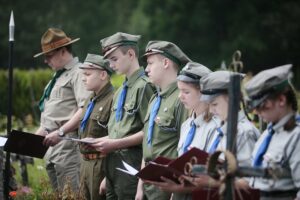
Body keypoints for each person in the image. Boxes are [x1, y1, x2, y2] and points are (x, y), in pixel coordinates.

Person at [89, 32, 155, 200]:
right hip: (113, 166)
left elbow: (149, 133)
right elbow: (117, 130)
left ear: (131, 54)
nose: (111, 65)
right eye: (109, 60)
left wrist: (115, 143)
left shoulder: (144, 87)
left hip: (131, 166)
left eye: (115, 59)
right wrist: (107, 175)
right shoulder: (119, 92)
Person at [143, 62, 220, 200]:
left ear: (203, 93)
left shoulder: (215, 128)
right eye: (179, 91)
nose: (180, 96)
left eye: (186, 92)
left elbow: (215, 176)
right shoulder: (187, 125)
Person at [34, 28, 90, 191]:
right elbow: (52, 115)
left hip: (67, 147)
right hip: (52, 149)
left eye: (49, 56)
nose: (46, 61)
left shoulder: (78, 73)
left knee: (71, 194)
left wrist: (61, 132)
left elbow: (84, 110)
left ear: (63, 51)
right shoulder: (58, 77)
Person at [136, 41, 190, 200]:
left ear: (166, 63)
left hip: (168, 185)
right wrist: (140, 187)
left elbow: (184, 148)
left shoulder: (181, 100)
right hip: (149, 185)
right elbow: (148, 145)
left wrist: (175, 192)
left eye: (151, 63)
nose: (146, 69)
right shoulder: (154, 100)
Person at [244, 64, 300, 200]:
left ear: (281, 100)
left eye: (263, 105)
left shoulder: (296, 136)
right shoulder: (267, 135)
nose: (256, 112)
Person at [78, 54, 114, 200]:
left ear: (103, 74)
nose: (83, 78)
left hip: (102, 165)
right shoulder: (90, 99)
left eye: (87, 74)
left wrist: (108, 177)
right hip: (85, 163)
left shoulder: (114, 99)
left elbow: (117, 137)